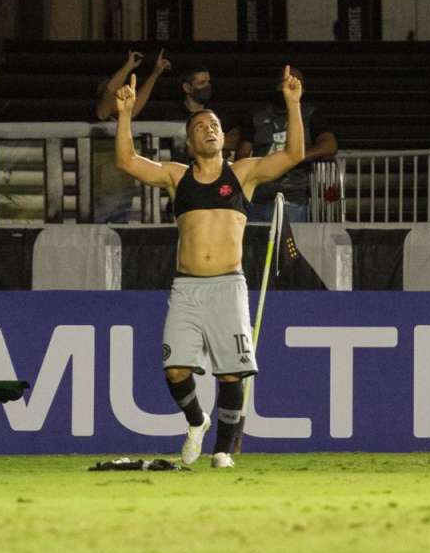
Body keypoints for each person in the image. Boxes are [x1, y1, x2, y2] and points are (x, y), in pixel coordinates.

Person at [114, 65, 305, 468]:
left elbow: (294, 155)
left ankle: (222, 451)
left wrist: (292, 103)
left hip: (228, 286)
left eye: (215, 124)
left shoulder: (243, 174)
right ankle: (196, 421)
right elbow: (128, 161)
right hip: (187, 288)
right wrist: (126, 114)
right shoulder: (177, 177)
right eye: (201, 126)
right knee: (176, 370)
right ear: (189, 141)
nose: (210, 129)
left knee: (231, 374)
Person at [236, 67, 337, 222]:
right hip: (258, 197)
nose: (288, 87)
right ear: (277, 86)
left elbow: (330, 145)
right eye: (284, 82)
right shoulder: (257, 115)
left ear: (302, 90)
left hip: (293, 198)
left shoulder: (311, 114)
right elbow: (242, 153)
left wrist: (294, 157)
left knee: (289, 245)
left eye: (294, 83)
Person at [94, 49, 170, 121]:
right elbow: (109, 90)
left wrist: (156, 73)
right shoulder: (101, 112)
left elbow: (135, 106)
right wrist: (128, 66)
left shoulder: (125, 113)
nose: (118, 92)